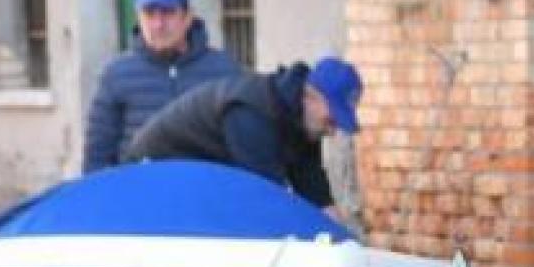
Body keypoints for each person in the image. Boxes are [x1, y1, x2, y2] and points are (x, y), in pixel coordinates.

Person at [125, 56, 361, 226]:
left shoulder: (303, 123)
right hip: (151, 171)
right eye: (332, 119)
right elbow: (265, 204)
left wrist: (348, 245)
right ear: (311, 96)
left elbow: (317, 199)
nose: (332, 132)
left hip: (197, 178)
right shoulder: (252, 114)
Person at [81, 0, 241, 173]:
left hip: (205, 193)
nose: (158, 25)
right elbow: (97, 156)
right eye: (149, 14)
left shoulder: (223, 71)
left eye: (167, 13)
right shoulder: (116, 76)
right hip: (141, 194)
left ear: (187, 17)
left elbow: (243, 144)